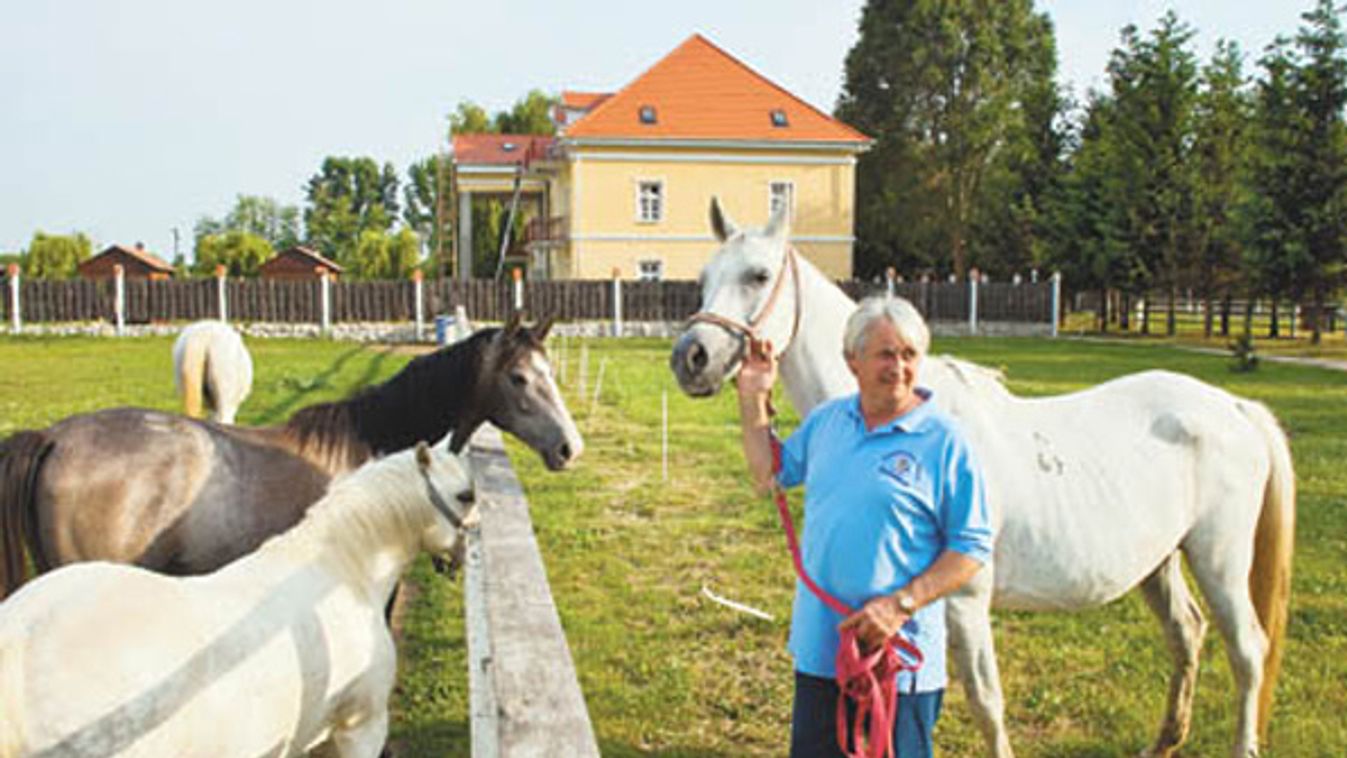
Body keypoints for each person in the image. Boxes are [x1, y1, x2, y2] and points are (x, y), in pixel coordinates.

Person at [736, 295, 993, 758]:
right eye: (885, 354)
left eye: (909, 354)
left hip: (899, 660)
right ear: (851, 360)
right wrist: (753, 395)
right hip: (823, 647)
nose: (899, 367)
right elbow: (766, 473)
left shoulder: (944, 439)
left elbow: (972, 546)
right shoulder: (828, 422)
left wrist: (900, 606)